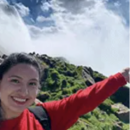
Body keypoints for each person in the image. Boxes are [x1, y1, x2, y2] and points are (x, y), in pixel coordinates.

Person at [0, 52, 129, 130]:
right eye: (15, 81)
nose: (24, 91)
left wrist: (122, 77)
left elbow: (82, 100)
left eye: (32, 83)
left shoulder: (44, 117)